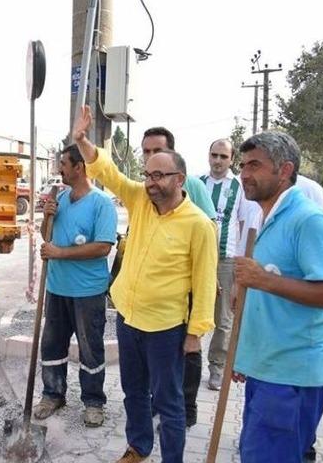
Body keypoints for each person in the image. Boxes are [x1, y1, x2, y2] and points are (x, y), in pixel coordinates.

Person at [74, 106, 217, 463]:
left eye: (160, 176)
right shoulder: (140, 200)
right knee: (133, 392)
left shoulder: (197, 225)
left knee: (169, 402)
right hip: (128, 317)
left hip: (166, 328)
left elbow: (204, 281)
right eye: (148, 174)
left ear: (180, 179)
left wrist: (195, 333)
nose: (151, 182)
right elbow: (109, 172)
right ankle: (139, 447)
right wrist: (81, 140)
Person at [233, 132, 323, 462]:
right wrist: (246, 356)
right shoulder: (266, 218)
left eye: (254, 165)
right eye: (243, 165)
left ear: (284, 170)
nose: (244, 173)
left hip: (292, 376)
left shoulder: (309, 221)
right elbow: (265, 302)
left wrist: (265, 281)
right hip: (269, 369)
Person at [31, 144, 118, 427]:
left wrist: (60, 253)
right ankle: (53, 394)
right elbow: (48, 237)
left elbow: (103, 247)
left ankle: (93, 402)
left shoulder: (101, 204)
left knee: (90, 349)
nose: (60, 169)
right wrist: (47, 216)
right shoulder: (62, 199)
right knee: (52, 345)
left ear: (79, 167)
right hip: (57, 288)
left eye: (63, 164)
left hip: (87, 292)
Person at [138, 126, 216, 428]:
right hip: (158, 282)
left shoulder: (191, 185)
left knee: (188, 344)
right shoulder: (148, 186)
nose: (150, 157)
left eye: (155, 151)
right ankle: (159, 400)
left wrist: (205, 274)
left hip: (188, 278)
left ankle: (187, 405)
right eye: (145, 152)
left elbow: (208, 228)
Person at [198, 138, 250, 392]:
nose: (218, 161)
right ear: (208, 156)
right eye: (214, 155)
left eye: (223, 156)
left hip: (226, 259)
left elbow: (243, 224)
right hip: (197, 258)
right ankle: (187, 362)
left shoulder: (239, 187)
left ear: (231, 160)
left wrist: (241, 264)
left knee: (223, 318)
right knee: (191, 311)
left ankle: (217, 368)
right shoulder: (198, 184)